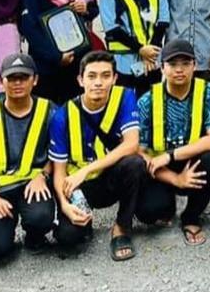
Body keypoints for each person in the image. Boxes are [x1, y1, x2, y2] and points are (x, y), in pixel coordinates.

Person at [48, 51, 146, 260]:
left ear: (114, 78)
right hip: (80, 187)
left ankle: (122, 227)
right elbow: (58, 171)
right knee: (67, 238)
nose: (98, 83)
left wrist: (87, 170)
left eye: (105, 76)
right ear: (80, 80)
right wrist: (65, 206)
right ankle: (84, 221)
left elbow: (131, 144)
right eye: (92, 76)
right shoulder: (62, 116)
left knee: (134, 163)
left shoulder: (125, 96)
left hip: (110, 176)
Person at [136, 39, 210, 246]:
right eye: (173, 64)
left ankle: (191, 216)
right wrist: (175, 178)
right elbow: (138, 151)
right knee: (148, 213)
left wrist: (171, 155)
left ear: (194, 65)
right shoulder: (147, 101)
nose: (179, 70)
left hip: (190, 161)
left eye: (185, 63)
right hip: (160, 168)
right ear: (162, 67)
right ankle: (167, 202)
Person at [0, 54, 56, 263]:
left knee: (41, 219)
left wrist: (43, 176)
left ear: (35, 80)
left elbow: (59, 153)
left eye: (23, 77)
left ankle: (34, 235)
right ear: (1, 81)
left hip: (33, 183)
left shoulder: (49, 110)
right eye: (11, 78)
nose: (17, 83)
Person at [99, 0, 171, 96]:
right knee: (124, 108)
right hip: (123, 63)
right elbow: (111, 28)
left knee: (153, 108)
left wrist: (150, 53)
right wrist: (140, 49)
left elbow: (163, 20)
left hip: (152, 63)